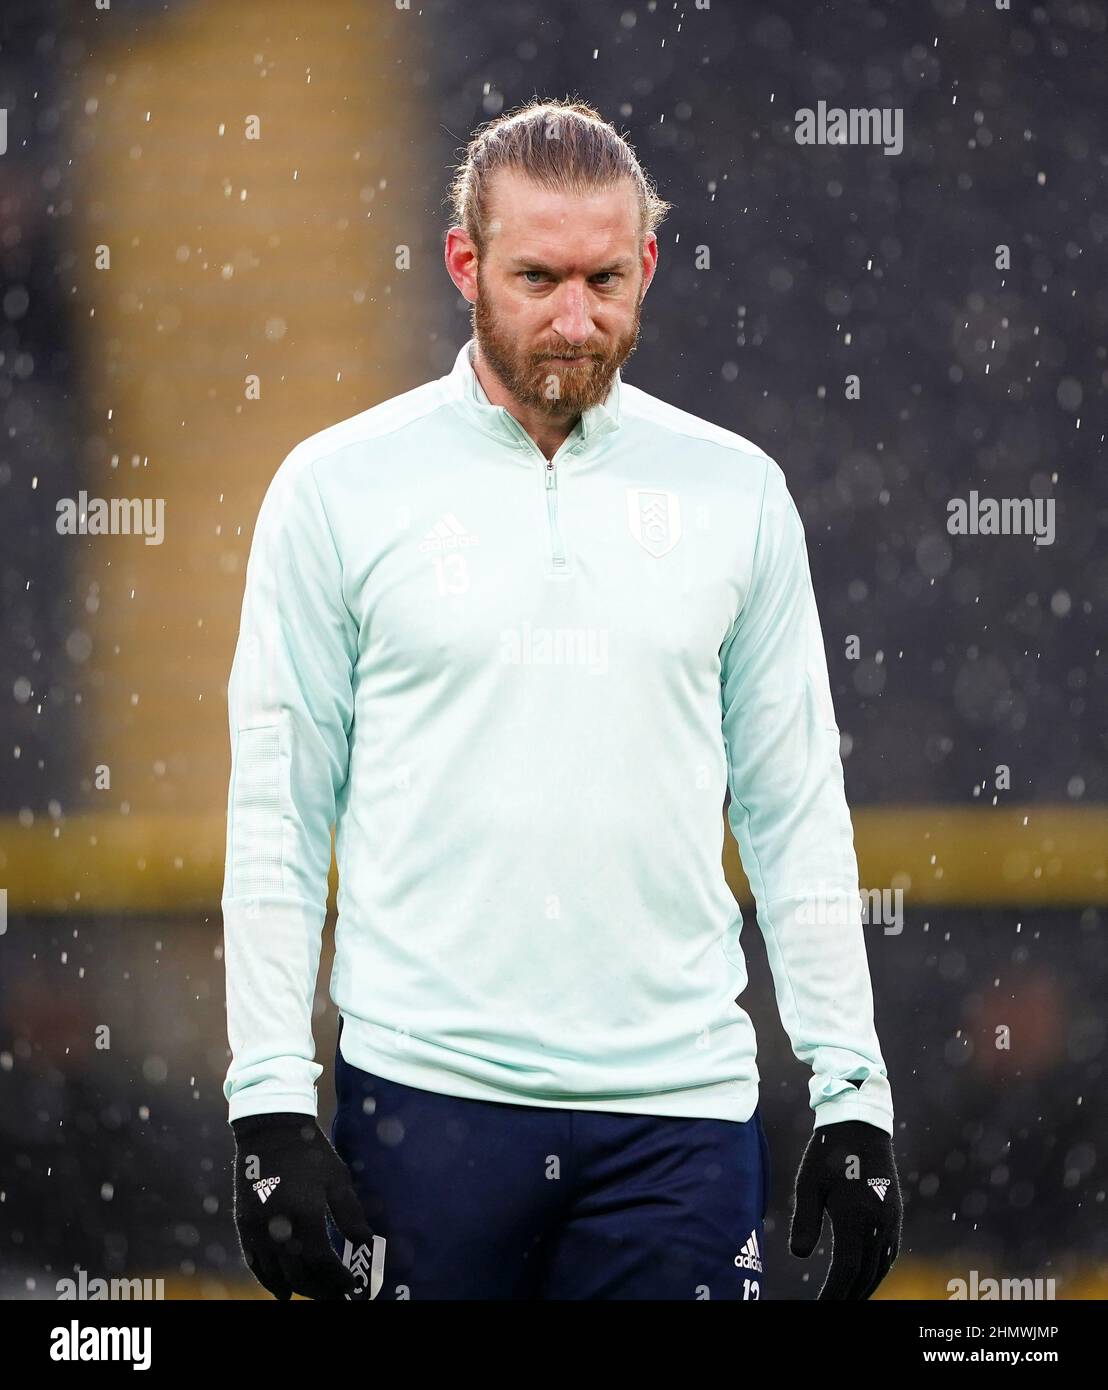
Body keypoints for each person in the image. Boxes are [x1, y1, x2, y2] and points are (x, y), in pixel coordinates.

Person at [223, 97, 902, 1301]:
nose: (575, 319)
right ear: (464, 263)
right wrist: (269, 1103)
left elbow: (795, 811)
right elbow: (281, 815)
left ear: (647, 265)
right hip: (426, 1106)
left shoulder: (735, 492)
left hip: (679, 1117)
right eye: (537, 277)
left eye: (604, 277)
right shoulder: (336, 490)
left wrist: (855, 1096)